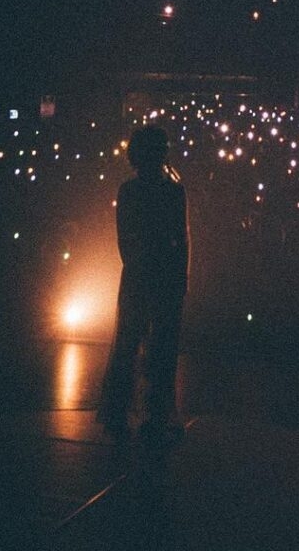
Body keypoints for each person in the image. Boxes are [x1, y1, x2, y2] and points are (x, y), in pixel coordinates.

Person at [98, 125, 189, 441]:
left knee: (135, 343)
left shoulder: (137, 190)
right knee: (151, 345)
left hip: (147, 274)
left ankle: (128, 413)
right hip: (153, 274)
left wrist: (144, 266)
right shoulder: (167, 191)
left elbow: (129, 238)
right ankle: (152, 415)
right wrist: (177, 275)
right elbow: (179, 239)